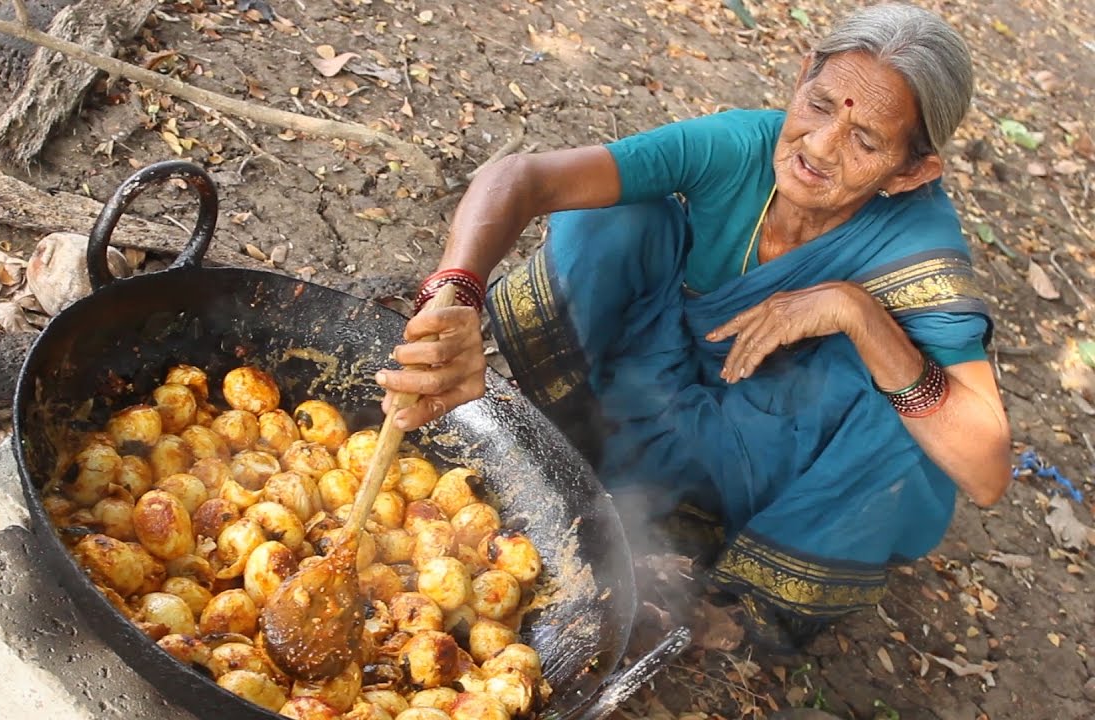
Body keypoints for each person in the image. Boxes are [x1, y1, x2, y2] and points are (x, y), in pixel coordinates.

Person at [377, 3, 1012, 651]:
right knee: (616, 217)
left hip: (779, 440)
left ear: (912, 172)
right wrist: (455, 291)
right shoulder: (742, 147)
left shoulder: (919, 246)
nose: (819, 148)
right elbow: (524, 178)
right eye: (819, 106)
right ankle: (578, 445)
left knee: (907, 410)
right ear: (800, 78)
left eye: (866, 140)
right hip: (662, 376)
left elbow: (986, 472)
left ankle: (735, 608)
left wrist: (857, 313)